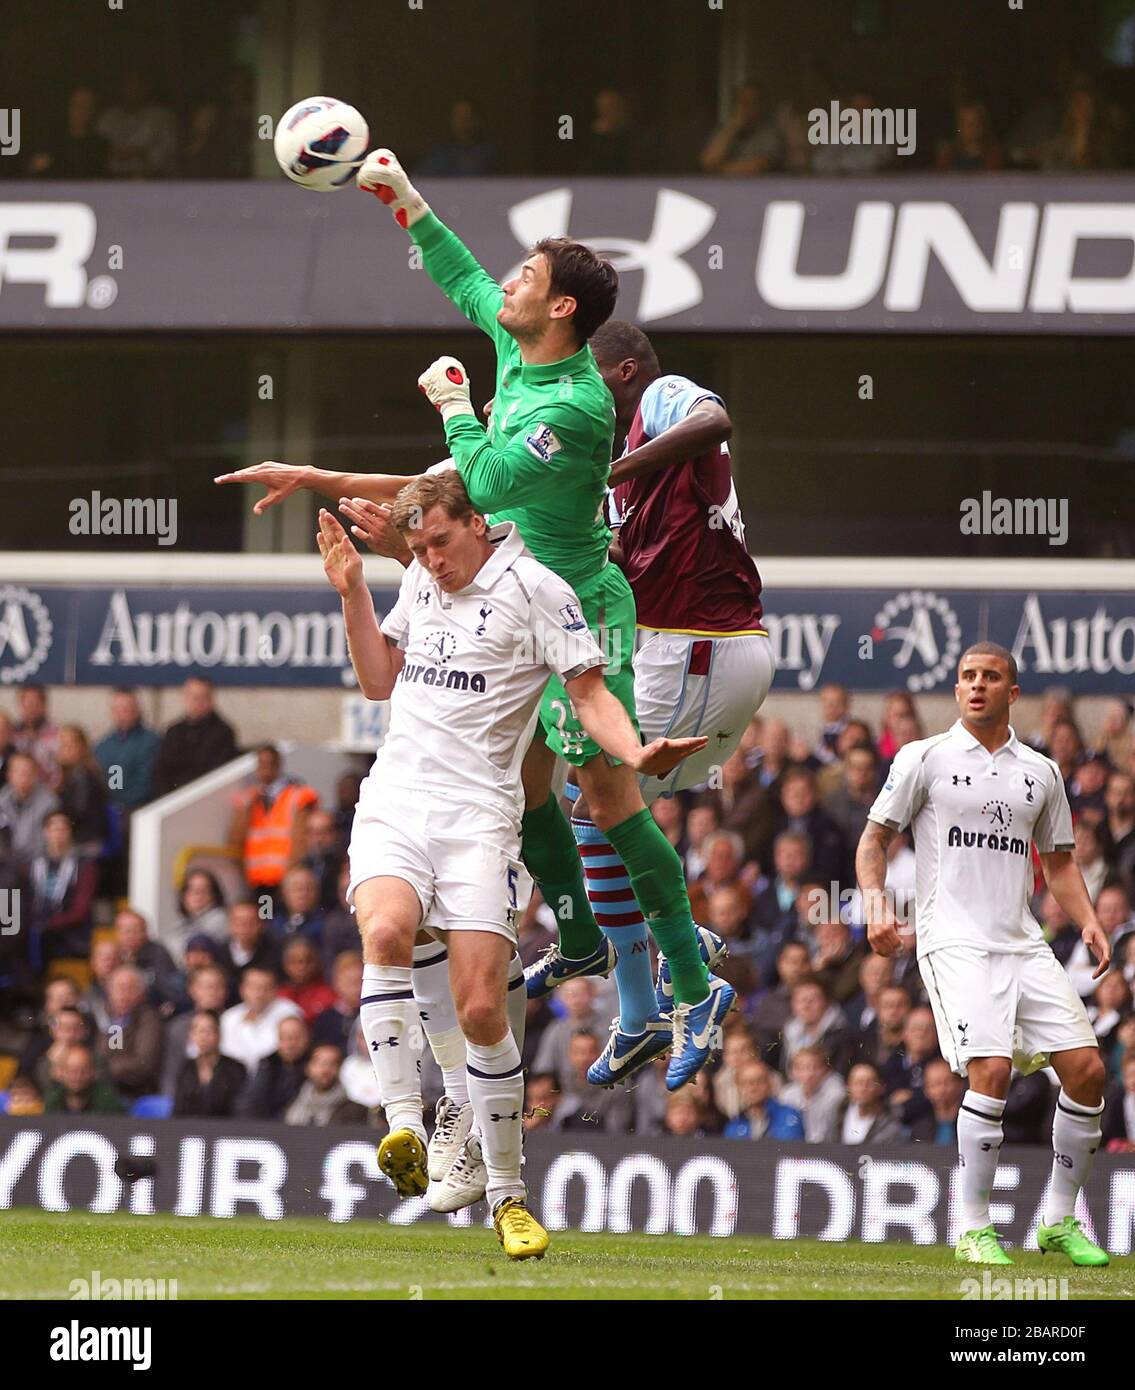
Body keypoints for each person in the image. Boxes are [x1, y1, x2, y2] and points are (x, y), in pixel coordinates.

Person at [218, 160, 730, 1094]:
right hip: (509, 603)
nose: (507, 285)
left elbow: (483, 486)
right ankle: (576, 934)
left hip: (574, 609)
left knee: (609, 804)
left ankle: (695, 988)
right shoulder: (520, 350)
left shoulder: (574, 406)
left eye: (526, 277)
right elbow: (459, 278)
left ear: (564, 307)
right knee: (520, 789)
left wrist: (455, 405)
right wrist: (401, 197)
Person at [313, 470, 703, 1260]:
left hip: (480, 820)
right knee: (385, 930)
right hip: (395, 799)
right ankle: (403, 1126)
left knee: (483, 1011)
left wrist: (633, 750)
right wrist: (353, 589)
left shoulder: (538, 590)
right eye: (416, 548)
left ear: (479, 524)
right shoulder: (421, 582)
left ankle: (507, 1197)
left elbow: (588, 693)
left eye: (440, 543)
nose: (429, 560)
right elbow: (378, 680)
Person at [857, 641, 1112, 1267]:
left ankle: (1057, 1219)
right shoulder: (924, 758)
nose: (977, 685)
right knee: (990, 1071)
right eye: (967, 676)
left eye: (991, 677)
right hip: (953, 941)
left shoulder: (1041, 772)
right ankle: (972, 1226)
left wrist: (1088, 921)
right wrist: (873, 900)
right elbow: (875, 839)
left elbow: (1057, 861)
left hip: (1022, 941)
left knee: (1087, 1070)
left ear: (1012, 692)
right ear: (956, 689)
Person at [228, 745, 318, 909]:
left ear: (278, 765)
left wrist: (291, 870)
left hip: (285, 877)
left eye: (269, 763)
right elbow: (235, 838)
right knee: (265, 919)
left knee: (282, 921)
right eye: (261, 763)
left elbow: (300, 838)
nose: (264, 769)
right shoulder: (250, 798)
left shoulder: (296, 795)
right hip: (258, 879)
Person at [27, 810, 98, 970]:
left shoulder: (85, 864)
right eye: (54, 828)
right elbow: (22, 899)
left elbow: (81, 909)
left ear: (70, 832)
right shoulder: (31, 863)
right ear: (45, 832)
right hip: (36, 926)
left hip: (69, 931)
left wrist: (50, 923)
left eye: (63, 828)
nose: (59, 833)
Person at [151, 678, 238, 798]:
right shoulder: (174, 731)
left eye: (202, 697)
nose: (197, 702)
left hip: (205, 799)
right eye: (193, 697)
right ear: (185, 698)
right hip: (171, 801)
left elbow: (220, 773)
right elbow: (161, 770)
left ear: (211, 700)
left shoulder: (223, 733)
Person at [96, 966, 163, 1101]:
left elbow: (143, 1063)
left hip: (135, 1094)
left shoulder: (149, 1020)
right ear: (109, 991)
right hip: (105, 1090)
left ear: (142, 993)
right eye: (119, 988)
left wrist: (105, 1068)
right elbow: (104, 1053)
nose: (124, 994)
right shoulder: (107, 1017)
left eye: (131, 988)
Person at [220, 966, 303, 1072]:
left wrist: (248, 1028)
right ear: (242, 989)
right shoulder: (229, 1017)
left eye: (266, 988)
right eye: (254, 987)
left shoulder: (288, 1011)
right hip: (233, 1076)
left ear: (276, 990)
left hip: (274, 1074)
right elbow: (225, 1052)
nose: (259, 994)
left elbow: (270, 1052)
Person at [94, 688, 161, 814]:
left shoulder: (152, 742)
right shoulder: (103, 745)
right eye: (118, 709)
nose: (122, 713)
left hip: (138, 809)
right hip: (107, 811)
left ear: (137, 710)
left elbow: (146, 782)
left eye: (127, 708)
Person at [24, 84, 109, 178]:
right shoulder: (50, 143)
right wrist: (34, 168)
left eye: (87, 106)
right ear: (69, 107)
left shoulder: (100, 146)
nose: (82, 110)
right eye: (77, 105)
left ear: (93, 110)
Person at [172, 1011, 247, 1118]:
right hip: (190, 1131)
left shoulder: (235, 1069)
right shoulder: (186, 1068)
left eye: (208, 1031)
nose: (203, 1037)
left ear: (219, 1035)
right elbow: (178, 1110)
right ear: (191, 1036)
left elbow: (238, 1111)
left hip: (225, 1131)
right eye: (198, 1031)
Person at [700, 82, 784, 175]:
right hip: (722, 188)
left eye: (751, 103)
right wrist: (732, 127)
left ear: (760, 106)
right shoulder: (724, 131)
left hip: (756, 188)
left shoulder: (770, 134)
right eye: (742, 102)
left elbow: (757, 166)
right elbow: (708, 162)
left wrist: (717, 170)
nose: (745, 108)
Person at [237, 1014, 311, 1119]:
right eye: (285, 1038)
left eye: (296, 1037)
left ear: (307, 1038)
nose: (290, 1044)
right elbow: (248, 1102)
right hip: (267, 1129)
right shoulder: (267, 1064)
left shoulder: (314, 1065)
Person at [0, 752, 60, 867]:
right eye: (19, 771)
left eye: (28, 771)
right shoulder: (2, 800)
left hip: (38, 863)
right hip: (7, 864)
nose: (24, 776)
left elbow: (49, 844)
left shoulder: (50, 803)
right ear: (9, 775)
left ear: (36, 775)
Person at [285, 1044, 367, 1126]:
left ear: (340, 1069)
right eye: (320, 1063)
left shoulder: (353, 1110)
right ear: (308, 1068)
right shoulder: (294, 1102)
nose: (325, 1070)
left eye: (332, 1064)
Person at [723, 1060, 804, 1140]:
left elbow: (788, 1148)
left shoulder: (789, 1115)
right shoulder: (734, 1126)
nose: (753, 1088)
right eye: (747, 1083)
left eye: (759, 1081)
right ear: (739, 1089)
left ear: (769, 1084)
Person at [780, 1045, 847, 1142]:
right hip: (795, 1150)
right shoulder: (787, 1094)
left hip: (829, 1150)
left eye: (815, 1067)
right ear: (793, 1072)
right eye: (802, 1068)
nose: (809, 1073)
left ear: (825, 1070)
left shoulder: (836, 1094)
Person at [417, 98, 500, 176]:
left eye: (467, 117)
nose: (462, 123)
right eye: (458, 117)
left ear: (476, 120)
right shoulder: (439, 152)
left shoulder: (488, 152)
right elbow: (421, 177)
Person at [44, 1045, 124, 1115]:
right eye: (72, 1071)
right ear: (62, 1072)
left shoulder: (108, 1103)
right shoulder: (53, 1101)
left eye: (83, 1071)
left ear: (92, 1072)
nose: (77, 1077)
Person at [840, 1062, 902, 1144]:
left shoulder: (892, 1121)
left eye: (869, 1083)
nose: (862, 1088)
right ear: (848, 1087)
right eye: (857, 1083)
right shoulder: (837, 1113)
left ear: (881, 1087)